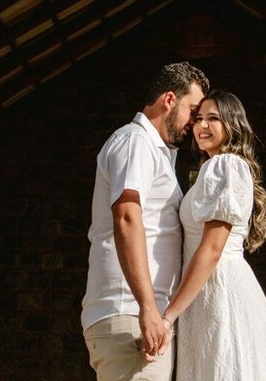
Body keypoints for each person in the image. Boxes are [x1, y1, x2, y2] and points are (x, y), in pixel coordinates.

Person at [82, 62, 210, 381]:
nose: (194, 123)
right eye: (192, 110)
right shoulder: (135, 141)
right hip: (130, 314)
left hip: (137, 316)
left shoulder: (155, 152)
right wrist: (148, 308)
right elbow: (127, 217)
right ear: (169, 99)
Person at [162, 91, 266, 381]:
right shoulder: (211, 169)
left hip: (221, 290)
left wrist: (168, 316)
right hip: (204, 293)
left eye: (213, 118)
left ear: (232, 125)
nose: (202, 126)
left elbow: (212, 249)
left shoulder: (227, 165)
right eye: (199, 118)